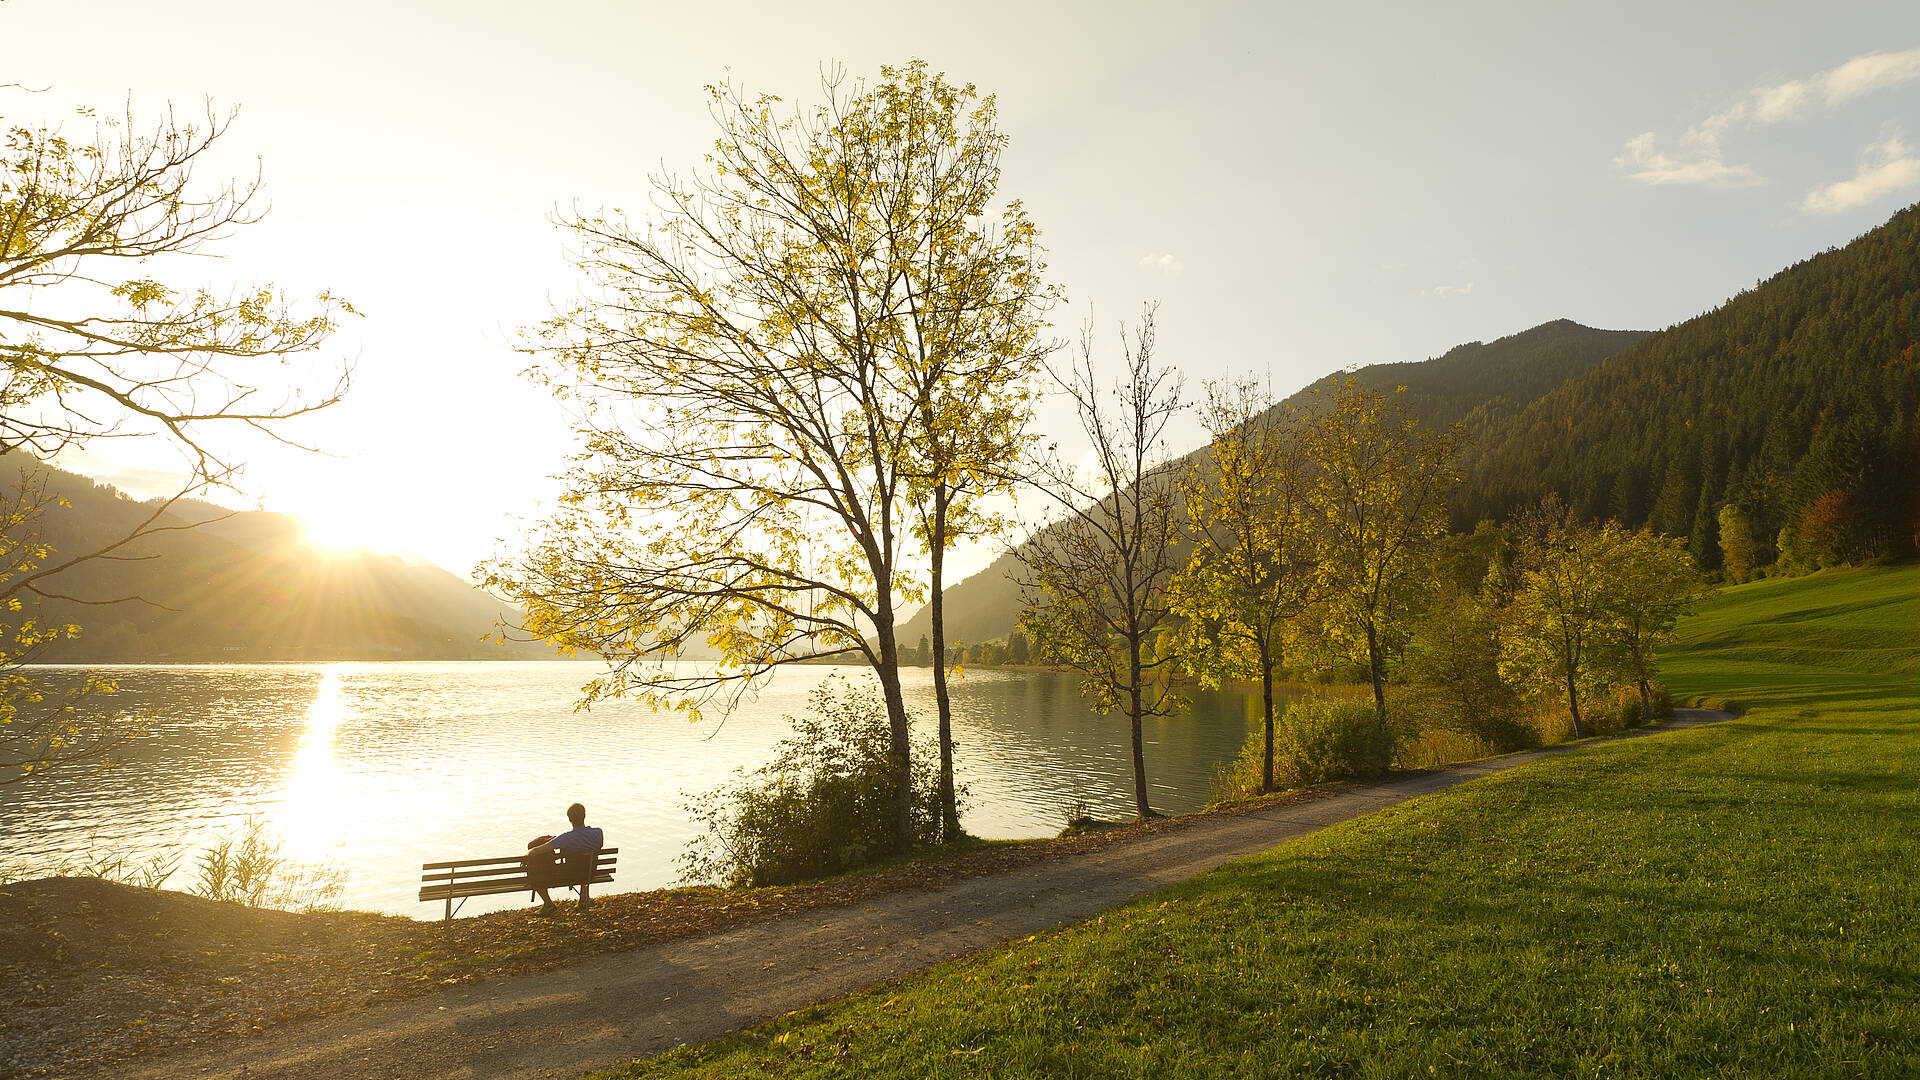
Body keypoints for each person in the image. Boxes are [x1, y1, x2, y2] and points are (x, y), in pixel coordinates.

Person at [528, 802, 605, 915]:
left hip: (570, 875)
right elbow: (598, 847)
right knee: (585, 865)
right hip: (590, 873)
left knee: (536, 873)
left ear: (569, 819)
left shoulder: (566, 838)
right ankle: (583, 901)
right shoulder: (598, 833)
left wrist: (529, 853)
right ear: (584, 816)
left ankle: (549, 904)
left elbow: (536, 852)